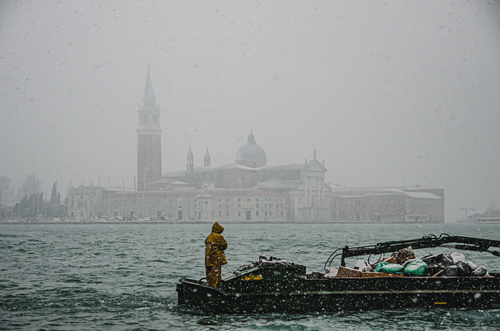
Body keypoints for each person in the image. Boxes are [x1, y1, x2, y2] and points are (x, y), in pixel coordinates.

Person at [205, 222, 227, 287]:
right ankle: (214, 288)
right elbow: (224, 245)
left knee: (209, 275)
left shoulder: (209, 236)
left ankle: (209, 286)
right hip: (216, 259)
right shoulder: (218, 236)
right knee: (216, 275)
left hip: (208, 260)